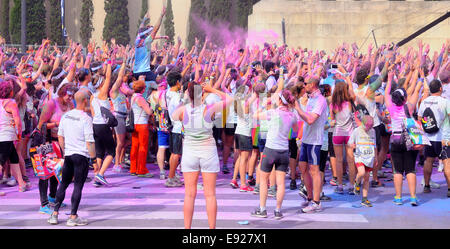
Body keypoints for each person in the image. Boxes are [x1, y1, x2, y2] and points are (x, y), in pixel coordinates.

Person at [172, 81, 233, 229]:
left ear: (189, 94)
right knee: (210, 194)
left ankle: (187, 228)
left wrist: (187, 98)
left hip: (189, 152)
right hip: (208, 152)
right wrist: (212, 89)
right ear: (203, 94)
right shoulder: (209, 109)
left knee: (189, 194)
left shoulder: (182, 111)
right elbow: (231, 100)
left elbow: (173, 115)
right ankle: (212, 228)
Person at [48, 90, 96, 226]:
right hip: (81, 156)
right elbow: (89, 141)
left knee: (63, 183)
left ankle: (55, 214)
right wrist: (94, 159)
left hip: (69, 154)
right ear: (85, 101)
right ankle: (73, 216)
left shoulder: (66, 116)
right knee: (78, 186)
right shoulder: (86, 118)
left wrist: (65, 151)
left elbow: (60, 136)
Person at [251, 89, 299, 219]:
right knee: (281, 183)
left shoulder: (272, 113)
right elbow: (296, 130)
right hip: (283, 151)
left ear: (279, 101)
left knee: (263, 180)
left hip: (270, 149)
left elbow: (255, 115)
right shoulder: (292, 115)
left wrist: (263, 104)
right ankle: (278, 211)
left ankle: (262, 209)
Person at [385, 66, 422, 206]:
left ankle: (399, 197)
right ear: (405, 98)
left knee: (398, 170)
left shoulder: (390, 106)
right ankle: (413, 197)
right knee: (411, 169)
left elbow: (386, 93)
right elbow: (416, 90)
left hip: (395, 139)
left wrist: (389, 80)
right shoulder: (410, 106)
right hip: (408, 139)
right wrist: (418, 75)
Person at [294, 77, 328, 213]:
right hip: (307, 139)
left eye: (306, 83)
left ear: (313, 85)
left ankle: (316, 202)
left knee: (314, 170)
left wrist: (298, 108)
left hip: (315, 140)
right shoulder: (311, 98)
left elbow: (310, 119)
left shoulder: (320, 100)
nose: (304, 85)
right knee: (303, 167)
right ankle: (309, 197)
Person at [418, 79, 450, 194]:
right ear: (440, 89)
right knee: (447, 163)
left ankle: (426, 186)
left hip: (429, 138)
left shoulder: (424, 101)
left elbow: (420, 118)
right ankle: (449, 189)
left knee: (428, 161)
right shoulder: (445, 102)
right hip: (443, 138)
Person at [329, 81, 356, 195]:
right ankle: (351, 185)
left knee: (339, 161)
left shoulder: (333, 105)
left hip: (337, 133)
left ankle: (340, 186)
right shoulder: (350, 103)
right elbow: (353, 94)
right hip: (349, 134)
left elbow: (332, 121)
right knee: (350, 160)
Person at [0, 79, 26, 192]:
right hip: (7, 136)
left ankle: (21, 184)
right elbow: (18, 121)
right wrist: (19, 135)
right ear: (10, 92)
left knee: (14, 158)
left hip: (4, 136)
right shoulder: (11, 103)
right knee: (1, 162)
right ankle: (21, 183)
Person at [349, 115, 377, 207]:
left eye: (371, 126)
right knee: (361, 172)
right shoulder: (357, 131)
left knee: (367, 178)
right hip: (359, 156)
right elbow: (350, 142)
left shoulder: (373, 131)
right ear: (363, 124)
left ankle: (364, 199)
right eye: (368, 126)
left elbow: (375, 145)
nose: (369, 128)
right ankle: (356, 183)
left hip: (369, 157)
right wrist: (352, 146)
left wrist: (376, 157)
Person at [130, 80, 154, 177]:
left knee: (135, 146)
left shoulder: (133, 97)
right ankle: (141, 170)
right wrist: (153, 106)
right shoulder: (140, 99)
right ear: (143, 89)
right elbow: (149, 112)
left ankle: (133, 168)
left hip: (135, 123)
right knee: (143, 147)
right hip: (142, 124)